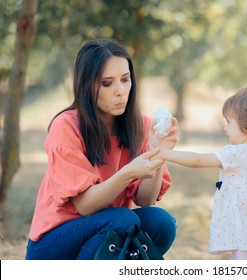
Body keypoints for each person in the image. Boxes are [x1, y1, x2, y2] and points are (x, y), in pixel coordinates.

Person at [25, 38, 178, 260]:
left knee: (160, 222)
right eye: (107, 83)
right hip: (54, 245)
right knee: (122, 221)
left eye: (125, 80)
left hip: (109, 231)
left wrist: (158, 154)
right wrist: (128, 172)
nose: (120, 91)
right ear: (88, 85)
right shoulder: (66, 126)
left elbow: (145, 200)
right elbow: (85, 207)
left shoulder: (141, 125)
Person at [152, 86, 247, 260]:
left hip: (246, 237)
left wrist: (162, 153)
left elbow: (197, 161)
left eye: (229, 122)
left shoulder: (237, 153)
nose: (225, 128)